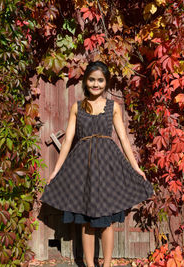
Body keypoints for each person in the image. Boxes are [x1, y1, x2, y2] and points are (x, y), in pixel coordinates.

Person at [40, 61, 153, 267]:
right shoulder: (77, 107)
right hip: (83, 169)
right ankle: (90, 265)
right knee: (86, 222)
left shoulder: (113, 107)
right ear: (85, 81)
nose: (95, 84)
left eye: (100, 80)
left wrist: (136, 167)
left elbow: (124, 139)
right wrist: (56, 170)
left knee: (106, 221)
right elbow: (67, 141)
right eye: (92, 79)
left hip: (108, 168)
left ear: (106, 82)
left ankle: (107, 264)